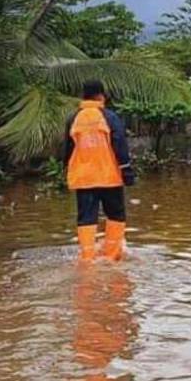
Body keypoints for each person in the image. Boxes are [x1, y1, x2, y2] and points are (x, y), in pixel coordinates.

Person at [63, 79, 136, 261]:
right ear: (101, 95)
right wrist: (126, 170)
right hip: (109, 176)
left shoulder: (73, 118)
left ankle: (87, 258)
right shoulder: (109, 117)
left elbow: (67, 150)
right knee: (115, 214)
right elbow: (119, 144)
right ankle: (112, 256)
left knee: (86, 217)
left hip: (83, 178)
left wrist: (67, 171)